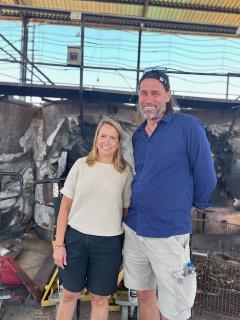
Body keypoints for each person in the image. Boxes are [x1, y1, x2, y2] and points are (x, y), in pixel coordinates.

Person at [123, 67, 217, 320]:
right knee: (144, 293)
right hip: (135, 228)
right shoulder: (138, 135)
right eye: (143, 93)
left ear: (168, 95)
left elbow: (206, 174)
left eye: (155, 92)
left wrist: (194, 205)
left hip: (168, 231)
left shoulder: (188, 127)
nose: (148, 99)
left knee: (174, 307)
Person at [53, 118, 133, 320]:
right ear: (96, 138)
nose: (106, 141)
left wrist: (127, 248)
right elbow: (64, 207)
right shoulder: (81, 165)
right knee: (69, 294)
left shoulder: (124, 172)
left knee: (99, 299)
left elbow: (126, 212)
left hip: (108, 244)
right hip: (76, 240)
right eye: (103, 135)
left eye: (112, 137)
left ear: (118, 143)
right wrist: (58, 245)